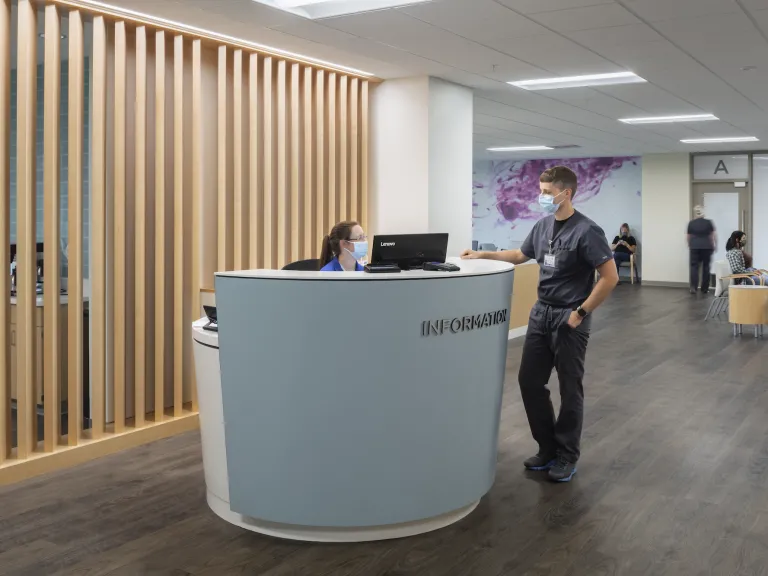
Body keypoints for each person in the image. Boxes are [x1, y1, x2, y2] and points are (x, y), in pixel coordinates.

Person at [461, 166, 618, 483]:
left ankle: (566, 454)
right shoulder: (543, 225)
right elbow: (520, 255)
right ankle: (547, 448)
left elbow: (610, 277)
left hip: (569, 317)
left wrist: (582, 311)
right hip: (541, 313)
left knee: (569, 388)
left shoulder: (588, 231)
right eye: (541, 191)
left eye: (546, 192)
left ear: (566, 193)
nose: (541, 197)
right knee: (529, 382)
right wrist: (480, 254)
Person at [687, 206, 716, 294]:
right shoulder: (709, 222)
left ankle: (693, 288)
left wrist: (690, 245)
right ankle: (704, 288)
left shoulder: (691, 223)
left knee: (694, 267)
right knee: (706, 267)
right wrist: (715, 244)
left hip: (694, 247)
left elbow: (688, 236)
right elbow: (712, 235)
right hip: (707, 247)